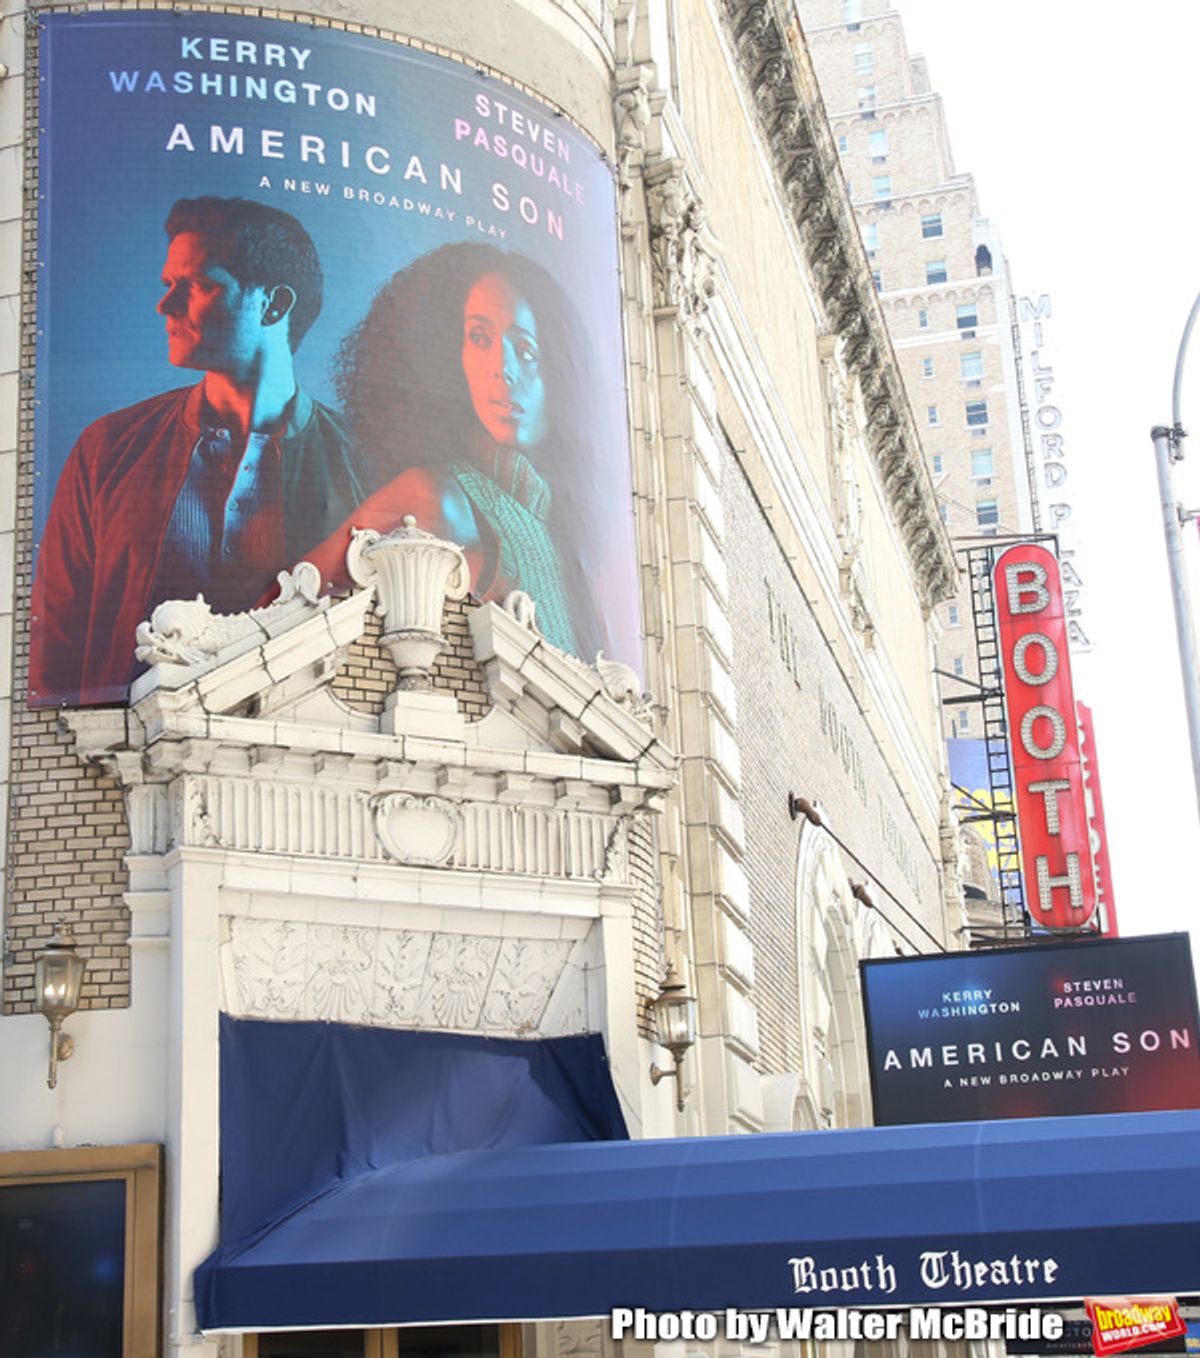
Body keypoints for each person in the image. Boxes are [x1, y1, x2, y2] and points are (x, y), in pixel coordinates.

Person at [31, 196, 366, 706]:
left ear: (274, 305)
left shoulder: (362, 464)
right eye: (169, 284)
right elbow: (56, 642)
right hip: (130, 747)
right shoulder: (108, 448)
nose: (166, 306)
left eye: (199, 285)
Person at [303, 243, 612, 663]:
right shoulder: (437, 496)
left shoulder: (562, 536)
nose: (500, 369)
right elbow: (285, 612)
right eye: (479, 338)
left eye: (525, 350)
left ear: (561, 373)